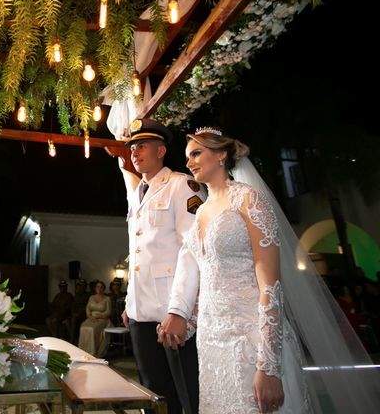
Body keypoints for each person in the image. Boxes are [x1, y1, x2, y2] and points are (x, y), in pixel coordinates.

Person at [160, 126, 380, 413]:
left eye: (197, 153)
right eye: (187, 157)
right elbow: (212, 280)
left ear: (222, 155)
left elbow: (270, 288)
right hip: (212, 346)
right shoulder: (200, 212)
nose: (189, 163)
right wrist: (186, 324)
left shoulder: (248, 200)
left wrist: (270, 366)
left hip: (253, 341)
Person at [106, 118, 205, 414]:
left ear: (161, 150)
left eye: (142, 146)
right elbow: (139, 253)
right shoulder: (139, 192)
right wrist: (129, 302)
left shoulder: (182, 186)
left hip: (172, 311)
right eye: (132, 147)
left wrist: (182, 311)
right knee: (154, 393)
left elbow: (194, 249)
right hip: (140, 311)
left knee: (186, 393)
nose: (135, 152)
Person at [78, 280, 113, 357]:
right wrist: (90, 317)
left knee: (92, 329)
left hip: (102, 319)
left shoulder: (107, 298)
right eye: (97, 287)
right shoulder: (91, 297)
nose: (99, 289)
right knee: (83, 327)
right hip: (91, 318)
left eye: (101, 287)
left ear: (104, 288)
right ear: (95, 288)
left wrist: (99, 316)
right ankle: (83, 351)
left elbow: (108, 312)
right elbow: (87, 309)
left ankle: (92, 351)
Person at [69, 278, 89, 343]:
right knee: (67, 321)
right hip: (75, 314)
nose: (81, 287)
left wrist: (78, 313)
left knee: (74, 319)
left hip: (83, 315)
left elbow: (86, 307)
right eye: (80, 285)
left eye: (83, 286)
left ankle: (72, 340)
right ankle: (74, 339)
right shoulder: (76, 295)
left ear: (85, 287)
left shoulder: (87, 295)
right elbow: (73, 306)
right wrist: (73, 313)